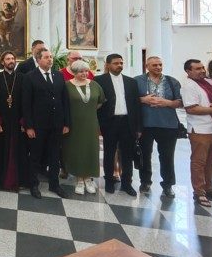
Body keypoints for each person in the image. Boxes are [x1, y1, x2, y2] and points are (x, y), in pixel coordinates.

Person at [182, 59, 212, 207]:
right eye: (197, 69)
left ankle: (209, 188)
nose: (202, 71)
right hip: (200, 130)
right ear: (188, 71)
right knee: (199, 162)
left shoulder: (209, 82)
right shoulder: (188, 86)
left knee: (211, 161)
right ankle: (199, 192)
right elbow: (191, 108)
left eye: (202, 67)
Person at [22, 48, 70, 198]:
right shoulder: (30, 77)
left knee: (55, 156)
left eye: (51, 57)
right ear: (38, 60)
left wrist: (66, 123)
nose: (50, 59)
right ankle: (34, 185)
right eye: (46, 57)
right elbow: (26, 104)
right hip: (38, 125)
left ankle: (54, 185)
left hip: (57, 124)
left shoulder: (58, 75)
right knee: (35, 156)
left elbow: (65, 101)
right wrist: (29, 126)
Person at [0, 51, 34, 193]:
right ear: (2, 62)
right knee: (2, 152)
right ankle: (2, 180)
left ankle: (19, 181)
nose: (11, 61)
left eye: (13, 58)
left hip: (18, 122)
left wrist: (25, 123)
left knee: (20, 152)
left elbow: (27, 102)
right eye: (8, 59)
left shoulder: (22, 78)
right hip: (3, 122)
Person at [95, 54, 142, 195]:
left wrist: (138, 127)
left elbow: (136, 105)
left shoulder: (131, 82)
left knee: (127, 154)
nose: (119, 65)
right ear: (108, 65)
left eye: (121, 63)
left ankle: (127, 183)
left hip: (127, 122)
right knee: (109, 152)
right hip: (109, 122)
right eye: (116, 63)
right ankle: (109, 181)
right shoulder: (99, 80)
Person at [135, 56, 182, 198]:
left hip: (167, 124)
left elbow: (180, 102)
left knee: (167, 156)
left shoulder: (172, 81)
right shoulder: (137, 81)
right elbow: (130, 99)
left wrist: (166, 102)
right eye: (154, 65)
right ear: (147, 66)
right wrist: (143, 99)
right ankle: (145, 181)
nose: (158, 67)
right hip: (145, 124)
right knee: (144, 154)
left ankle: (168, 185)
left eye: (160, 65)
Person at [64, 60, 106, 195]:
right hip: (74, 123)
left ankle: (88, 179)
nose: (84, 73)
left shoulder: (94, 85)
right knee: (77, 150)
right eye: (81, 71)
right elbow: (63, 105)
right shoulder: (67, 86)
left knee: (91, 149)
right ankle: (79, 180)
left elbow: (100, 102)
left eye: (86, 71)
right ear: (75, 72)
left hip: (91, 123)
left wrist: (89, 110)